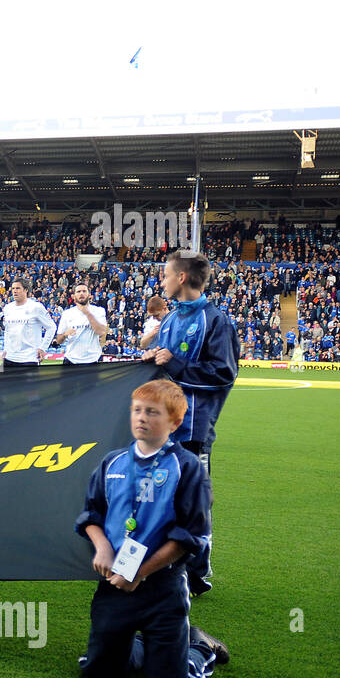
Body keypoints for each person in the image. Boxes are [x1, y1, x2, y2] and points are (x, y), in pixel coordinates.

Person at [75, 379, 229, 678]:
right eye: (137, 410)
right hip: (116, 582)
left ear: (174, 422)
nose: (142, 418)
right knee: (98, 671)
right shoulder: (112, 462)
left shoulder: (187, 468)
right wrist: (102, 548)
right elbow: (91, 515)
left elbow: (189, 536)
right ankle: (146, 642)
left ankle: (200, 647)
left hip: (163, 586)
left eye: (152, 412)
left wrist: (141, 572)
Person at [142, 249, 240, 596]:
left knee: (191, 501)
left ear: (181, 277)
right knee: (156, 496)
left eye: (166, 275)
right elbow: (167, 366)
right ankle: (160, 563)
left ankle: (196, 573)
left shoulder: (216, 321)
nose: (162, 281)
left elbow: (224, 375)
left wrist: (177, 364)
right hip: (160, 429)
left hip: (192, 432)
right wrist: (152, 361)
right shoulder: (169, 320)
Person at [0, 277, 57, 368]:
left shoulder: (36, 307)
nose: (14, 291)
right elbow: (7, 331)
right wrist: (5, 349)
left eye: (18, 288)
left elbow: (52, 327)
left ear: (26, 290)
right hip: (9, 358)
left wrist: (43, 348)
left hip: (29, 359)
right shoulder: (8, 308)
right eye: (13, 288)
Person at [54, 282, 108, 365]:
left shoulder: (99, 311)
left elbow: (101, 332)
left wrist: (87, 313)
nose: (81, 293)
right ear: (74, 296)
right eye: (78, 292)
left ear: (89, 294)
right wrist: (65, 334)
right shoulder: (67, 313)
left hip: (92, 360)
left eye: (84, 291)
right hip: (71, 360)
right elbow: (59, 340)